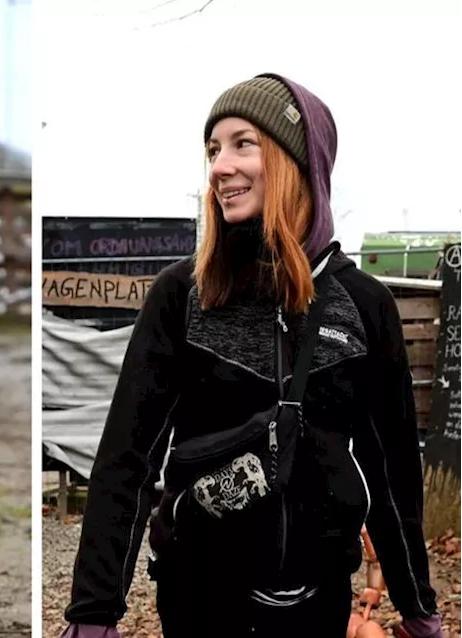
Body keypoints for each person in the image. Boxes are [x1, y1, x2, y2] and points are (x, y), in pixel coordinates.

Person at [60, 74, 444, 638]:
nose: (219, 166)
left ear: (299, 162)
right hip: (199, 595)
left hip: (320, 598)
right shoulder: (183, 295)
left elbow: (391, 471)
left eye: (244, 143)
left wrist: (416, 604)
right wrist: (95, 611)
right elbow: (127, 456)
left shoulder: (365, 304)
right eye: (213, 150)